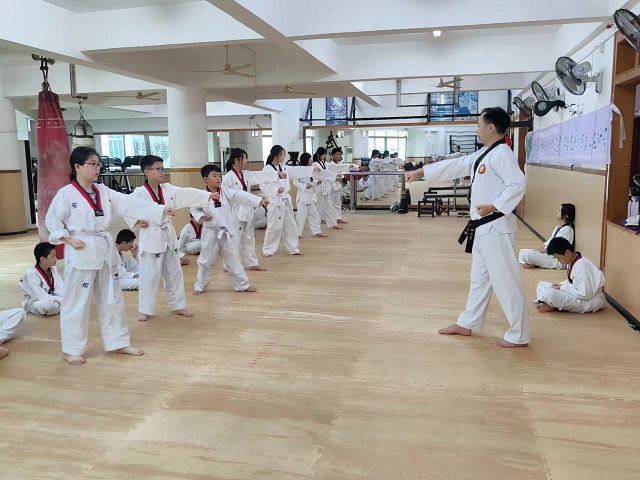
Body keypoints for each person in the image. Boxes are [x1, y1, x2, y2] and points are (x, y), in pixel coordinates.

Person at [406, 107, 530, 348]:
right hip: (482, 228)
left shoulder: (502, 154)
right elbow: (456, 165)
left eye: (479, 125)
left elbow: (518, 184)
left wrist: (494, 206)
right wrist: (421, 171)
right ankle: (468, 322)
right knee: (479, 280)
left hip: (496, 227)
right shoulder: (485, 153)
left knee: (505, 281)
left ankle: (519, 334)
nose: (477, 129)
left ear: (491, 127)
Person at [45, 146, 175, 365]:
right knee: (77, 302)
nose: (97, 168)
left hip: (104, 249)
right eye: (92, 164)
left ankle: (118, 342)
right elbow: (52, 221)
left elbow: (129, 203)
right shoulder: (66, 194)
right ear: (77, 167)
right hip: (81, 248)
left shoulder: (103, 192)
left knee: (112, 298)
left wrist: (159, 210)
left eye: (98, 164)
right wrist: (68, 239)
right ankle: (71, 349)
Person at [126, 155, 216, 322]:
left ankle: (178, 305)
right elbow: (126, 208)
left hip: (168, 236)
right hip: (151, 236)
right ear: (146, 171)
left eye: (163, 168)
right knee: (149, 275)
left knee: (174, 273)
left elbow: (187, 193)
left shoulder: (168, 189)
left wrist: (207, 196)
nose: (162, 172)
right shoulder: (139, 193)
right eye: (158, 169)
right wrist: (138, 220)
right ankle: (144, 309)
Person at [191, 164, 269, 294]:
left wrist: (259, 200)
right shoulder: (201, 195)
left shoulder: (226, 192)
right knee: (206, 260)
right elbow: (194, 210)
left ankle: (242, 285)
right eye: (214, 176)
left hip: (227, 231)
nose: (218, 178)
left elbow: (241, 195)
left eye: (219, 176)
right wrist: (201, 216)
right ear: (205, 179)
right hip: (210, 232)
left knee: (233, 258)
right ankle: (200, 286)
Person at [222, 148, 281, 271]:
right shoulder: (228, 177)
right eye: (244, 158)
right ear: (236, 160)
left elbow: (260, 176)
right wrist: (258, 200)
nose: (246, 161)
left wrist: (277, 174)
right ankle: (229, 264)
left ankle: (251, 263)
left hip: (247, 210)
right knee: (234, 238)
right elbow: (231, 196)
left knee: (249, 237)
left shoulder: (246, 174)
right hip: (234, 212)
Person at [535, 237, 607, 314]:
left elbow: (585, 294)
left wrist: (562, 288)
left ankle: (553, 305)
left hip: (588, 301)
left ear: (567, 252)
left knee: (551, 295)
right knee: (541, 285)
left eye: (558, 258)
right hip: (578, 295)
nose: (558, 261)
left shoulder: (582, 266)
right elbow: (573, 283)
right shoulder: (571, 261)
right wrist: (560, 286)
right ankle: (553, 304)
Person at [260, 145, 305, 257]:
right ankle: (268, 250)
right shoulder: (267, 169)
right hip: (275, 200)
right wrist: (276, 190)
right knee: (274, 226)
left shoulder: (284, 167)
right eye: (281, 154)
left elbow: (298, 170)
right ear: (275, 155)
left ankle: (293, 248)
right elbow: (262, 185)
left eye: (284, 154)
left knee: (290, 225)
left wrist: (311, 170)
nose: (283, 157)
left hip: (285, 199)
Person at [518, 204, 575, 269]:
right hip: (549, 254)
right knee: (522, 251)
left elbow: (554, 249)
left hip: (556, 259)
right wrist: (535, 250)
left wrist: (536, 252)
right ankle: (529, 263)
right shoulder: (557, 228)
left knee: (527, 254)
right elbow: (547, 244)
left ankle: (531, 263)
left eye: (559, 211)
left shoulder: (567, 230)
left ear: (566, 216)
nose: (557, 212)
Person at [18, 242, 65, 316]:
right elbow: (41, 296)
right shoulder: (31, 273)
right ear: (43, 259)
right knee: (47, 305)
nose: (56, 258)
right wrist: (62, 300)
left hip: (52, 298)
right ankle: (61, 307)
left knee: (71, 296)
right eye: (53, 256)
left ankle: (60, 307)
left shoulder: (53, 269)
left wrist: (67, 297)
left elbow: (61, 288)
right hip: (35, 301)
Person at [294, 152, 327, 238]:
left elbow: (313, 180)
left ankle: (317, 232)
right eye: (310, 159)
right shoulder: (299, 170)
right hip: (303, 196)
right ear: (306, 160)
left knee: (314, 215)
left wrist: (317, 182)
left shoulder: (312, 170)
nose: (311, 160)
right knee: (301, 217)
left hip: (311, 195)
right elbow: (295, 182)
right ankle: (297, 233)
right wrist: (305, 186)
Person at [328, 147, 348, 225]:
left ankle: (338, 218)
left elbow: (341, 173)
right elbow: (329, 175)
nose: (339, 156)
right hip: (332, 185)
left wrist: (340, 178)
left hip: (338, 185)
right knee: (332, 203)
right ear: (333, 155)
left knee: (338, 202)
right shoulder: (330, 165)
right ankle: (331, 218)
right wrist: (336, 178)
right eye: (337, 154)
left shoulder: (339, 164)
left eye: (339, 155)